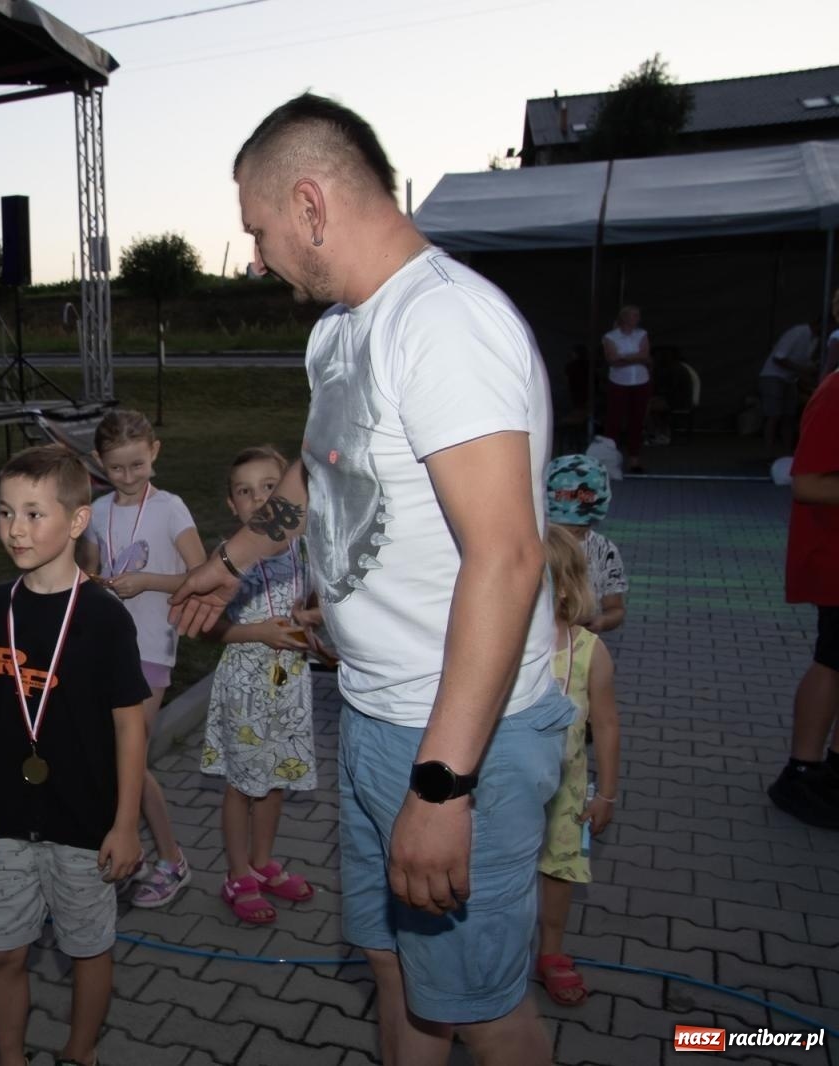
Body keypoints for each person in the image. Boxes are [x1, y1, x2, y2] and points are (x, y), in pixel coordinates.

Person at [171, 92, 570, 1066]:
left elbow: (508, 557)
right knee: (398, 978)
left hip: (457, 735)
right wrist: (231, 562)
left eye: (257, 231)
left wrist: (442, 786)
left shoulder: (442, 325)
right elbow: (316, 474)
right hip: (373, 715)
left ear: (309, 203)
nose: (256, 257)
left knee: (479, 1007)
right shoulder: (341, 335)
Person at [0, 445, 148, 1066]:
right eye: (7, 512)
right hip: (7, 815)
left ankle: (79, 1051)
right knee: (3, 951)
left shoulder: (104, 618)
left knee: (88, 947)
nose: (15, 529)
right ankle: (12, 1057)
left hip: (84, 822)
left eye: (35, 514)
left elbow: (130, 728)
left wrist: (123, 823)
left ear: (77, 521)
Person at [75, 409, 205, 909]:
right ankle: (130, 856)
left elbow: (200, 574)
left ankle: (170, 859)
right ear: (97, 463)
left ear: (154, 452)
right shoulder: (99, 510)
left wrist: (147, 581)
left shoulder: (171, 509)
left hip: (151, 649)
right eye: (116, 469)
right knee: (114, 759)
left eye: (136, 465)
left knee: (129, 759)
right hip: (105, 649)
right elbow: (85, 571)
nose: (127, 477)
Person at [199, 446, 317, 925]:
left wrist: (312, 625)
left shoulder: (302, 548)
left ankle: (264, 862)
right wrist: (260, 633)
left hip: (290, 685)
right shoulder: (229, 560)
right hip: (244, 685)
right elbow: (211, 629)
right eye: (246, 492)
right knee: (241, 785)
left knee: (276, 780)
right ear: (233, 505)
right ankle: (237, 873)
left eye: (270, 487)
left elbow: (308, 606)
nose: (258, 498)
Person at [534, 525, 621, 1006]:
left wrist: (605, 792)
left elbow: (606, 726)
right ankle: (490, 952)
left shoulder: (590, 652)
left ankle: (551, 950)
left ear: (563, 587)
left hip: (565, 788)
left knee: (561, 869)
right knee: (490, 875)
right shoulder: (497, 645)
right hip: (503, 787)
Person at [769, 367, 839, 829]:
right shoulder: (836, 391)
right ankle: (801, 770)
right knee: (831, 659)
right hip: (833, 558)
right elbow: (807, 481)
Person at [545, 454, 628, 633]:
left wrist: (602, 621)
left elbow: (616, 608)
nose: (570, 533)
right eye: (560, 525)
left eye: (579, 528)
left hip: (582, 645)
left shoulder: (604, 550)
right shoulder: (535, 545)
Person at [602, 305, 652, 474]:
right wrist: (635, 357)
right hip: (618, 381)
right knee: (614, 421)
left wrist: (623, 357)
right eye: (633, 315)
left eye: (637, 315)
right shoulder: (610, 337)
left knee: (637, 420)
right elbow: (612, 360)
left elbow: (645, 356)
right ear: (624, 317)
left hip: (640, 381)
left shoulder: (642, 334)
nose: (636, 318)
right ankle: (610, 460)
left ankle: (634, 459)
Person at [759, 321, 818, 457]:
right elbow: (779, 357)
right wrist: (802, 370)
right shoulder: (798, 332)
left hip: (790, 379)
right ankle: (768, 453)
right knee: (774, 415)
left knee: (789, 416)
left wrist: (808, 371)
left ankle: (787, 453)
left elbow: (804, 363)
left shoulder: (815, 340)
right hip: (773, 376)